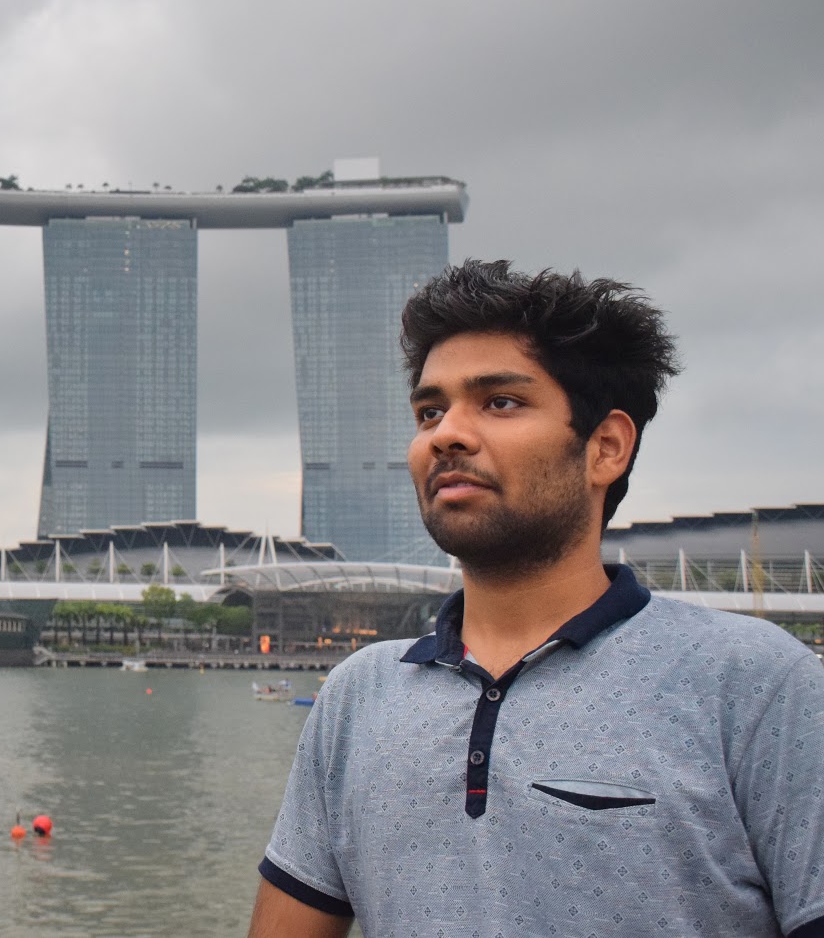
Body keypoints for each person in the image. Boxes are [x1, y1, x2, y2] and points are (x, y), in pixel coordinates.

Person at [248, 260, 824, 938]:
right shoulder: (358, 695)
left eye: (500, 402)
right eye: (430, 411)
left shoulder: (757, 686)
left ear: (605, 447)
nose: (446, 433)